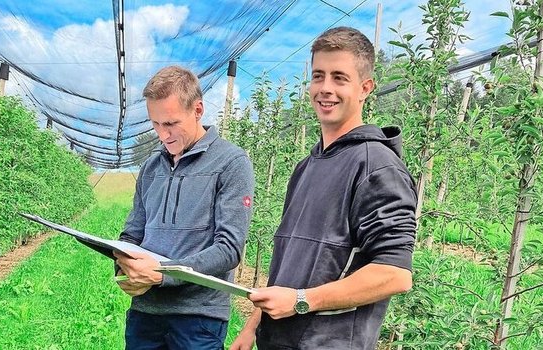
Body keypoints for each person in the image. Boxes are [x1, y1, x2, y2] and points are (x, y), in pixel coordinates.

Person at [230, 27, 417, 350]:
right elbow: (287, 266)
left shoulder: (376, 166)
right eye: (318, 76)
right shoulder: (307, 166)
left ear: (365, 88)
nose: (325, 88)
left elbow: (394, 274)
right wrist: (252, 327)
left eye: (339, 78)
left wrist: (301, 301)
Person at [113, 65, 255, 350]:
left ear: (198, 110)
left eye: (171, 123)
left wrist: (163, 273)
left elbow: (229, 249)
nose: (163, 135)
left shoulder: (231, 163)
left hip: (198, 318)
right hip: (145, 313)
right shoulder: (152, 166)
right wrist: (123, 268)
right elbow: (132, 234)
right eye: (155, 124)